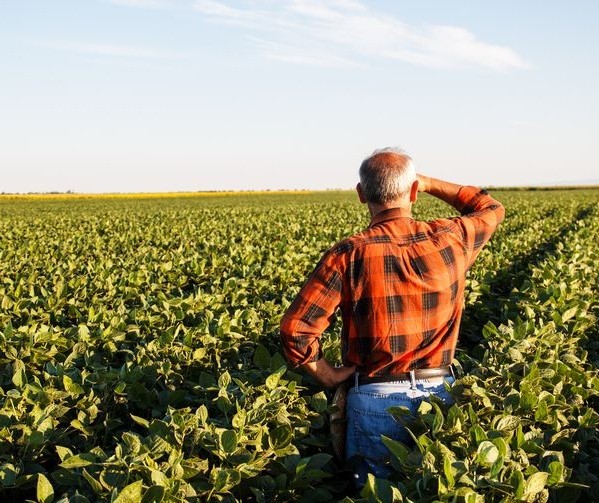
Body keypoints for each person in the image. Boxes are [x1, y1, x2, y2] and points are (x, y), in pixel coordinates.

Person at [279, 147, 505, 483]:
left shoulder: (348, 254)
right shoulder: (451, 238)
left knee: (374, 492)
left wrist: (327, 375)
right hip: (439, 396)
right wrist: (428, 182)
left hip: (373, 398)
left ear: (361, 194)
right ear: (414, 191)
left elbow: (296, 330)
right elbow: (490, 207)